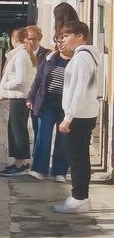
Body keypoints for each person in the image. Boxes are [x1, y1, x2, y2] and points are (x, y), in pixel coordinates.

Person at [53, 21, 102, 214]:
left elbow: (80, 90)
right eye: (61, 37)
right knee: (79, 156)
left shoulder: (82, 58)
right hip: (83, 113)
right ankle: (80, 196)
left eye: (66, 36)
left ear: (80, 36)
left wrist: (69, 117)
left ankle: (79, 198)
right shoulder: (86, 56)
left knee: (77, 158)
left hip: (79, 115)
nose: (62, 40)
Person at [26, 33, 72, 182]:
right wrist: (31, 97)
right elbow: (38, 80)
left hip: (66, 105)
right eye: (58, 41)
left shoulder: (77, 61)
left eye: (62, 41)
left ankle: (60, 171)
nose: (60, 44)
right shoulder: (50, 58)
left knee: (63, 139)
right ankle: (39, 169)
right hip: (46, 102)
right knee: (43, 136)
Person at [0, 28, 39, 177]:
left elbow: (21, 79)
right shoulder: (24, 54)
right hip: (19, 96)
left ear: (14, 40)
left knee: (17, 130)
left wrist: (6, 85)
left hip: (19, 96)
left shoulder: (21, 55)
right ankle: (20, 161)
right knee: (16, 129)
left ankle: (20, 162)